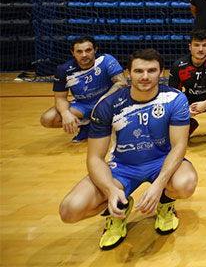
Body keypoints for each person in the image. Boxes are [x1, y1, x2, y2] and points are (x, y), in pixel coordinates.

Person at [58, 49, 197, 250]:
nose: (145, 76)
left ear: (161, 72)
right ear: (128, 73)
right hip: (122, 167)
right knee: (69, 210)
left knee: (186, 184)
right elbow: (95, 158)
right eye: (139, 71)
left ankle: (166, 202)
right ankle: (118, 209)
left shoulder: (175, 99)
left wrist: (159, 185)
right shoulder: (108, 105)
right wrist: (110, 190)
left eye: (151, 70)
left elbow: (179, 146)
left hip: (160, 162)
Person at [40, 36, 127, 142]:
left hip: (109, 102)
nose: (84, 55)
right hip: (84, 105)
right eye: (79, 51)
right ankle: (87, 125)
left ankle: (104, 124)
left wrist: (103, 100)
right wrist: (66, 114)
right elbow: (60, 98)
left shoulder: (105, 60)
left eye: (88, 50)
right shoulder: (64, 70)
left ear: (95, 50)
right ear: (73, 53)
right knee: (48, 119)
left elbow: (122, 83)